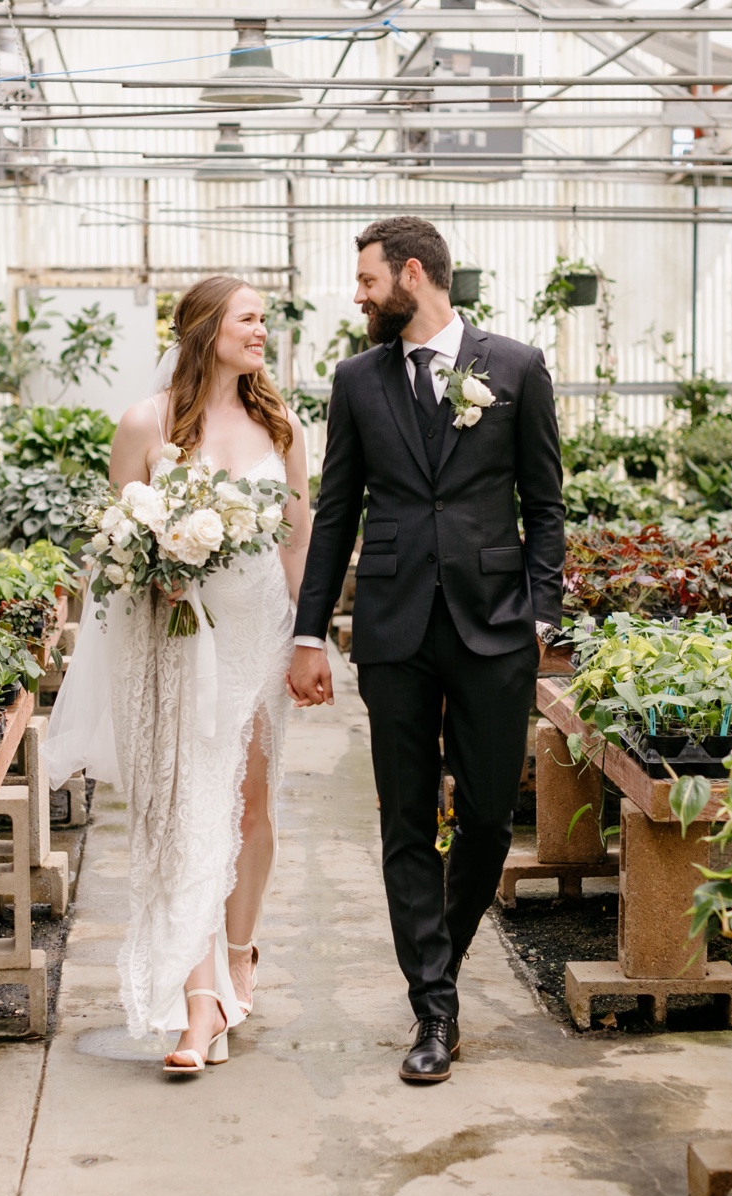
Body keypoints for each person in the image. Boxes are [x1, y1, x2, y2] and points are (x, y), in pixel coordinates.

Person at [288, 217, 564, 1085]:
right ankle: (434, 1007)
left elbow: (546, 502)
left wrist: (541, 610)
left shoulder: (516, 366)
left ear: (413, 274)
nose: (359, 294)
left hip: (494, 625)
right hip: (395, 625)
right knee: (406, 819)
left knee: (486, 817)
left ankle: (437, 948)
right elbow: (336, 513)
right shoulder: (357, 380)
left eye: (368, 279)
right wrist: (309, 631)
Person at [45, 275, 312, 1075]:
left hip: (260, 630)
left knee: (250, 805)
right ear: (205, 330)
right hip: (177, 636)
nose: (263, 331)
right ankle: (197, 1012)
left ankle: (239, 954)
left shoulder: (282, 424)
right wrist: (156, 569)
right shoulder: (144, 423)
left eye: (265, 319)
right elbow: (118, 541)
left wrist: (309, 639)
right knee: (189, 810)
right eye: (249, 319)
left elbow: (300, 538)